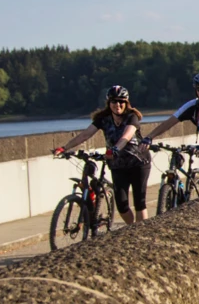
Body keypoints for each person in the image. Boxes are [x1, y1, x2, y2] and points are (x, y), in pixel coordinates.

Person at [53, 85, 151, 224]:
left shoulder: (131, 117)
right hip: (118, 165)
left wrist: (115, 149)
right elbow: (85, 134)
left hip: (138, 163)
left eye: (121, 101)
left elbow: (126, 136)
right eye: (114, 101)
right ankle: (132, 228)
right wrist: (64, 148)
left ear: (126, 103)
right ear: (109, 103)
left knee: (139, 203)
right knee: (122, 205)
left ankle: (141, 231)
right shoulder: (103, 119)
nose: (118, 104)